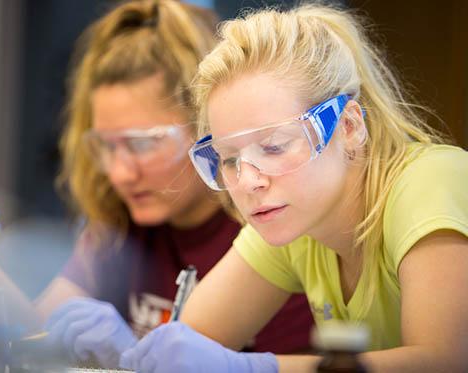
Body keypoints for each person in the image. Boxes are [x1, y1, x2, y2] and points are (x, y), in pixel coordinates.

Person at [0, 0, 314, 369]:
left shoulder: (270, 222)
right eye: (105, 146)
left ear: (208, 132)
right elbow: (40, 338)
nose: (119, 173)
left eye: (142, 143)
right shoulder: (121, 219)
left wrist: (131, 357)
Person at [119, 3, 468, 372]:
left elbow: (446, 361)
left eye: (274, 147)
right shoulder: (296, 214)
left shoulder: (433, 181)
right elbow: (189, 345)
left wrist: (254, 369)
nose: (249, 181)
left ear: (347, 127)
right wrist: (126, 352)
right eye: (230, 159)